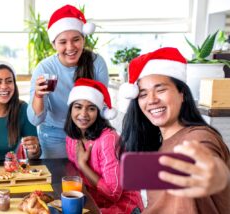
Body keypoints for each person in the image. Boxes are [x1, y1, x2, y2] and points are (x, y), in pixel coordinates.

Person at [117, 47, 230, 213]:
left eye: (161, 90)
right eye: (143, 94)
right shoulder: (161, 142)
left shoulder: (198, 137)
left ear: (182, 94)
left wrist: (215, 174)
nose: (152, 100)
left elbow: (207, 161)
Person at [27, 5, 109, 158]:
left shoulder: (97, 63)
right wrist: (39, 96)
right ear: (54, 44)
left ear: (83, 39)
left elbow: (102, 106)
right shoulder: (45, 68)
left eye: (76, 40)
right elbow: (35, 119)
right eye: (63, 42)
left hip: (89, 132)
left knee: (90, 180)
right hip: (54, 135)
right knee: (58, 179)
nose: (70, 47)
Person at [64, 78, 144, 213]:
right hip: (93, 203)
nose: (83, 114)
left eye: (91, 108)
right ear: (71, 109)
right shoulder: (72, 137)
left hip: (124, 207)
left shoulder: (108, 139)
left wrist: (83, 165)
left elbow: (113, 193)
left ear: (99, 112)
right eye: (78, 107)